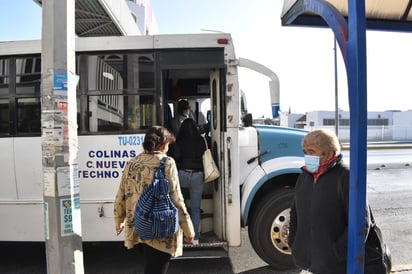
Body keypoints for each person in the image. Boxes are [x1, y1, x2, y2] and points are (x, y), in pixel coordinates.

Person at [114, 126, 195, 274]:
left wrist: (119, 221)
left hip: (138, 227)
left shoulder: (131, 163)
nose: (168, 148)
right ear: (163, 145)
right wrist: (188, 228)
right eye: (168, 145)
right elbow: (176, 199)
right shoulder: (167, 163)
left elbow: (121, 195)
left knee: (151, 267)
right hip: (160, 228)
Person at [288, 129, 371, 274]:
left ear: (330, 153)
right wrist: (294, 244)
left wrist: (334, 254)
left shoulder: (346, 177)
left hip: (335, 267)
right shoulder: (304, 176)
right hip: (307, 264)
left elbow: (361, 224)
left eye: (312, 152)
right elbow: (295, 213)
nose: (307, 156)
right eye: (305, 151)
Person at [171, 118, 207, 245]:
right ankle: (195, 238)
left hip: (182, 175)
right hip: (198, 175)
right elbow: (204, 155)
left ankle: (179, 235)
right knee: (196, 208)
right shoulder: (201, 140)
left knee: (179, 206)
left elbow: (176, 157)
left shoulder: (180, 141)